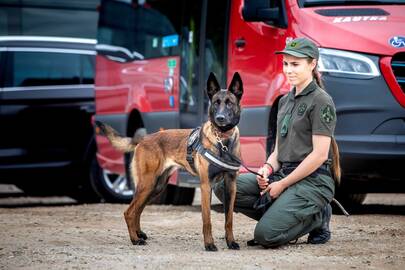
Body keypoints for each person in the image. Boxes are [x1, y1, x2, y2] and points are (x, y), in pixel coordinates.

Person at [213, 37, 341, 248]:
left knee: (266, 236)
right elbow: (279, 150)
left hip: (313, 181)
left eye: (295, 64)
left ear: (312, 64)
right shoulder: (284, 101)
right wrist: (267, 169)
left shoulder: (321, 101)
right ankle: (284, 214)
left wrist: (281, 184)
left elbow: (319, 155)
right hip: (284, 174)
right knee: (224, 186)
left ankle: (317, 216)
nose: (289, 70)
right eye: (286, 64)